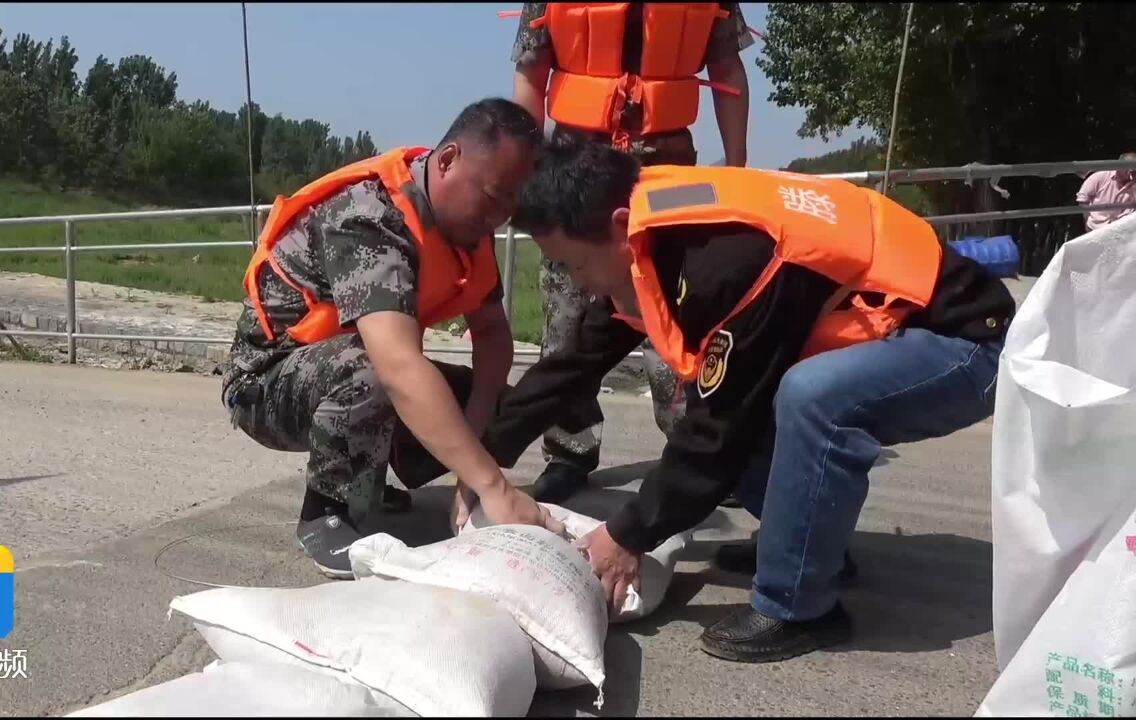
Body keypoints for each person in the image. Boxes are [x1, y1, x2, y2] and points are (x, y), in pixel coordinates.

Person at [483, 141, 1017, 662]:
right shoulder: (653, 233)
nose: (580, 282)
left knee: (807, 397)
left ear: (619, 225)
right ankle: (808, 552)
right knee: (742, 391)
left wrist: (626, 534)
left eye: (576, 266)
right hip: (908, 331)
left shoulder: (724, 261)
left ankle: (800, 606)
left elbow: (718, 433)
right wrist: (482, 458)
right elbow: (575, 362)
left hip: (965, 343)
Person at [221, 98, 559, 579]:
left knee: (495, 401)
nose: (498, 219)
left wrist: (474, 463)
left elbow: (492, 337)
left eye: (510, 206)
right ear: (447, 161)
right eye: (492, 197)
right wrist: (494, 486)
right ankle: (327, 513)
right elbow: (397, 366)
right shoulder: (366, 217)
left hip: (348, 366)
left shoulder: (467, 227)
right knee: (378, 370)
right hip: (266, 383)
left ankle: (370, 476)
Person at [509, 2, 755, 503]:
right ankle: (567, 450)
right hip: (576, 161)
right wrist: (529, 169)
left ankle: (695, 450)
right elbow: (531, 73)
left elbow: (728, 68)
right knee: (567, 323)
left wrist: (736, 164)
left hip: (666, 168)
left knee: (678, 318)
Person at [1076, 152, 1136, 232]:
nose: (1131, 173)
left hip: (1123, 229)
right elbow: (1083, 198)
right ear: (1119, 166)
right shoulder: (1100, 176)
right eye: (1128, 169)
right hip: (1096, 228)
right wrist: (1087, 221)